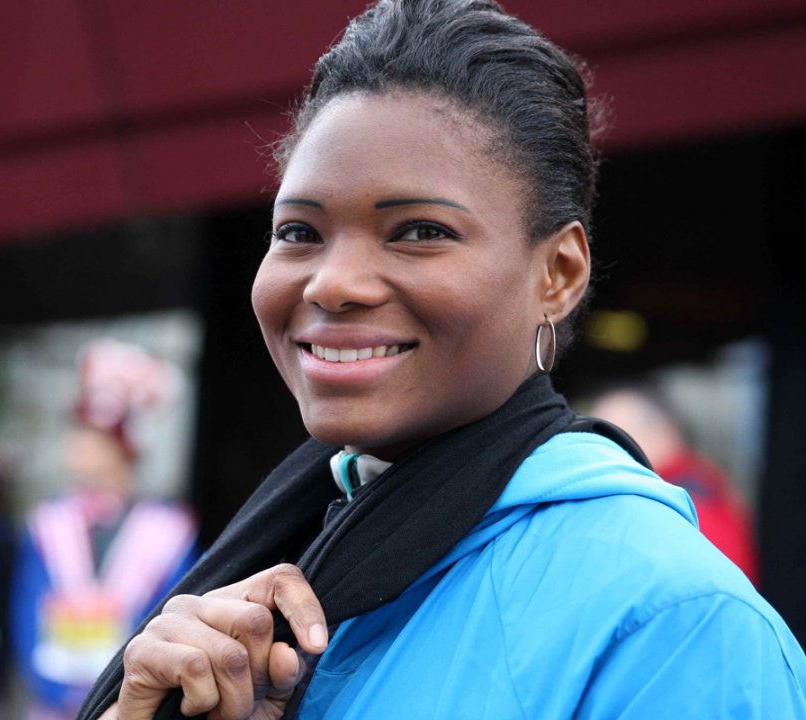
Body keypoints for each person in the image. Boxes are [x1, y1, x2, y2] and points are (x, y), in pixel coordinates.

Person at [77, 1, 806, 718]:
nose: (332, 283)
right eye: (299, 231)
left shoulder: (676, 627)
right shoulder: (266, 583)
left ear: (558, 275)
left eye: (419, 231)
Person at [12, 340, 197, 720]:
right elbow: (28, 610)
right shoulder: (49, 523)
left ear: (122, 448)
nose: (74, 446)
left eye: (89, 436)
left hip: (134, 703)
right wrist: (53, 687)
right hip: (53, 704)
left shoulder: (169, 532)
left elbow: (175, 614)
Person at [589, 383, 760, 584]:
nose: (602, 451)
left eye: (616, 436)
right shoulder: (690, 488)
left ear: (662, 431)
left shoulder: (691, 500)